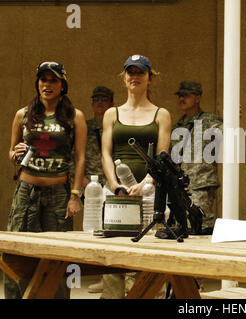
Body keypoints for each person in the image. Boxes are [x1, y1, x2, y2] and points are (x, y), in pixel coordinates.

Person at [6, 61, 87, 299]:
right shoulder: (23, 114)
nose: (47, 85)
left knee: (59, 254)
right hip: (26, 191)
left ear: (63, 85)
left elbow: (80, 158)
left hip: (58, 193)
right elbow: (11, 152)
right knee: (17, 251)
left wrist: (75, 195)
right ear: (37, 83)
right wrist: (15, 153)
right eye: (43, 79)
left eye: (53, 80)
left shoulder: (75, 116)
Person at [100, 54, 171, 298]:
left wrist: (147, 183)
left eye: (140, 72)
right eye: (130, 72)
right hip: (117, 195)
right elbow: (105, 155)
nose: (135, 76)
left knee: (149, 256)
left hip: (150, 194)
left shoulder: (161, 114)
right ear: (124, 78)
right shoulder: (111, 113)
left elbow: (162, 157)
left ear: (150, 78)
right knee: (113, 260)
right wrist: (114, 185)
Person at [171, 81, 223, 233]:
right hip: (181, 187)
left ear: (198, 98)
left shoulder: (208, 120)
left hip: (201, 184)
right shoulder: (177, 126)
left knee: (202, 226)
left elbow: (226, 133)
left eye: (186, 95)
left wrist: (233, 119)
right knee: (183, 228)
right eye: (180, 95)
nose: (181, 99)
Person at [83, 86, 114, 294]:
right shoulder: (84, 127)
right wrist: (81, 181)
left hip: (112, 184)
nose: (100, 103)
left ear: (111, 102)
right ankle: (103, 276)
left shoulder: (115, 124)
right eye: (96, 99)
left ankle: (110, 279)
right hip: (91, 186)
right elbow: (74, 155)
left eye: (105, 99)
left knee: (113, 232)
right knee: (94, 231)